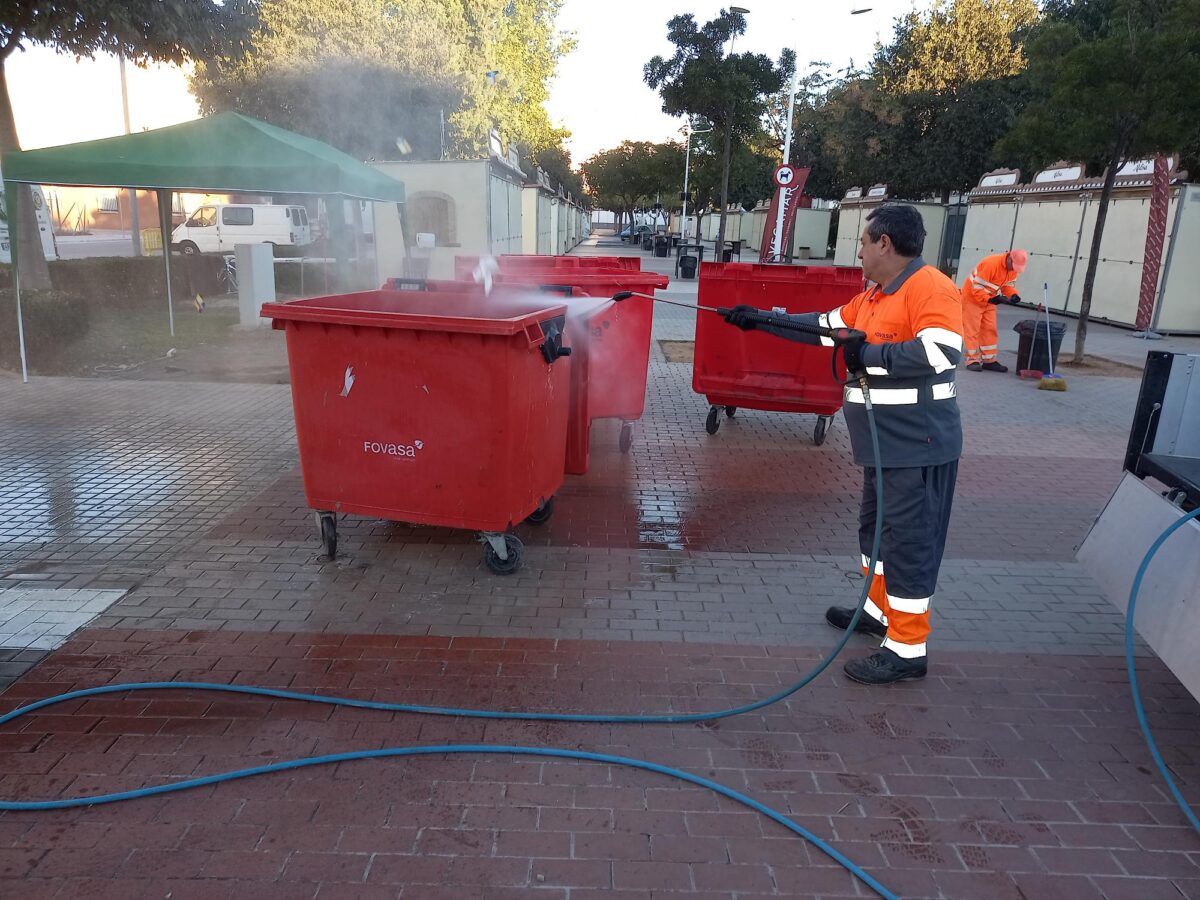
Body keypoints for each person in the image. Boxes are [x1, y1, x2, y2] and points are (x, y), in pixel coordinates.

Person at [723, 205, 963, 685]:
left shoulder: (930, 286)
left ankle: (907, 647)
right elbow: (826, 327)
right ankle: (877, 612)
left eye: (862, 242)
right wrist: (760, 320)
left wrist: (867, 354)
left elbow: (940, 351)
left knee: (908, 542)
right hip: (883, 445)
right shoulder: (873, 297)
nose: (858, 252)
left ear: (885, 244)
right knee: (875, 532)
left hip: (918, 443)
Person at [960, 249, 1027, 372]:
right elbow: (977, 287)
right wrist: (992, 299)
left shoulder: (1012, 270)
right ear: (1009, 258)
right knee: (972, 329)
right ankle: (972, 360)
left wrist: (1013, 295)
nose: (1014, 269)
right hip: (972, 298)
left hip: (989, 298)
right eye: (1014, 266)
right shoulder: (991, 263)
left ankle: (989, 360)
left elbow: (1008, 286)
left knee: (990, 329)